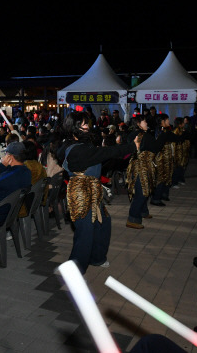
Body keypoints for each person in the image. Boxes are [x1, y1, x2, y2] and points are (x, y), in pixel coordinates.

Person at [58, 111, 140, 273]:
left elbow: (100, 157)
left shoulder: (81, 144)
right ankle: (75, 268)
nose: (87, 125)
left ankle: (97, 258)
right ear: (73, 127)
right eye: (83, 123)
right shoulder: (75, 149)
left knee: (103, 223)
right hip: (81, 192)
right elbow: (103, 153)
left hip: (92, 190)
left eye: (86, 122)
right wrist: (130, 147)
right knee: (85, 230)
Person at [125, 115, 158, 228]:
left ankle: (143, 211)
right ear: (138, 123)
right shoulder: (145, 136)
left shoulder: (131, 135)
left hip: (134, 166)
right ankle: (133, 218)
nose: (146, 123)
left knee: (142, 189)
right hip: (142, 167)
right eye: (144, 121)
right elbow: (156, 147)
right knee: (142, 192)